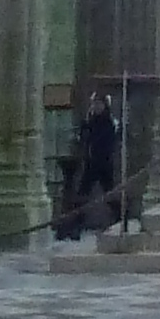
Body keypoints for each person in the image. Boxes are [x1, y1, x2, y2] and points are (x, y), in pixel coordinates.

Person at [56, 87, 123, 241]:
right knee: (82, 195)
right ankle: (75, 226)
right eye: (94, 104)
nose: (96, 107)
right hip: (91, 163)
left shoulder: (109, 122)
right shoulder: (90, 121)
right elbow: (84, 138)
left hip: (104, 164)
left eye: (99, 104)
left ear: (104, 106)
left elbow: (109, 141)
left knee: (110, 194)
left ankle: (120, 220)